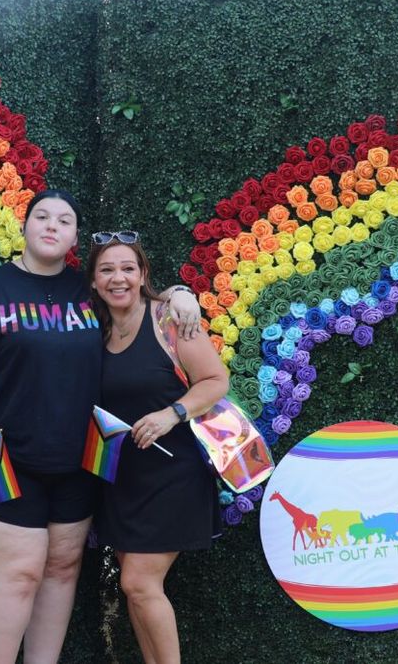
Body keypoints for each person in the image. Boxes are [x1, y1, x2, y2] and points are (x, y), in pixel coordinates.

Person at [0, 190, 200, 663]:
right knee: (19, 574)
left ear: (75, 237)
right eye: (42, 217)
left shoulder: (88, 291)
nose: (52, 226)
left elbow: (137, 298)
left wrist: (180, 294)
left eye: (64, 220)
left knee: (61, 569)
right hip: (1, 456)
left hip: (78, 460)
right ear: (25, 226)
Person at [87, 232, 229, 664]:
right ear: (93, 281)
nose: (119, 278)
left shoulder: (169, 319)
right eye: (107, 269)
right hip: (123, 478)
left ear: (143, 274)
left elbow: (215, 381)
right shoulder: (97, 328)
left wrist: (172, 414)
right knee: (136, 592)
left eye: (128, 268)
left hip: (172, 475)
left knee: (139, 584)